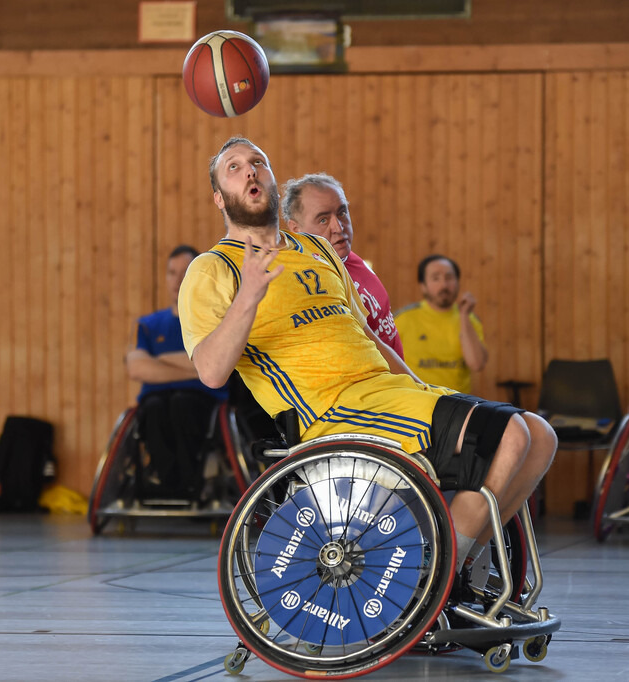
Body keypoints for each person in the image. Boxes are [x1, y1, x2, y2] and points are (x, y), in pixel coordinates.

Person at [177, 137, 556, 597]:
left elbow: (369, 336)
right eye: (234, 168)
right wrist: (249, 297)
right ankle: (443, 572)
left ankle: (458, 561)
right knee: (510, 434)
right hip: (331, 410)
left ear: (273, 180)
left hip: (387, 393)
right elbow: (212, 371)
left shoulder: (317, 251)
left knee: (540, 436)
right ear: (220, 198)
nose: (250, 170)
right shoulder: (212, 269)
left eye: (258, 162)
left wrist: (422, 391)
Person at [125, 244, 227, 500]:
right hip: (157, 401)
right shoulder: (147, 325)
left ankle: (191, 484)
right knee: (155, 407)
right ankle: (166, 483)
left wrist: (159, 360)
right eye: (172, 272)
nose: (177, 280)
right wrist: (198, 368)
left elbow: (223, 361)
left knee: (182, 403)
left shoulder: (216, 321)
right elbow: (136, 367)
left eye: (185, 272)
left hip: (202, 401)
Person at [281, 172, 404, 359]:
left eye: (342, 213)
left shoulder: (348, 258)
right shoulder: (311, 285)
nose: (338, 228)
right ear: (296, 229)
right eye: (323, 220)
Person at [395, 254, 489, 394]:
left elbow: (477, 364)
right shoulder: (403, 319)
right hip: (416, 400)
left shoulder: (469, 319)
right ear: (423, 286)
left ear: (458, 282)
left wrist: (464, 316)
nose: (444, 285)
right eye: (436, 278)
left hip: (459, 402)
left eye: (449, 278)